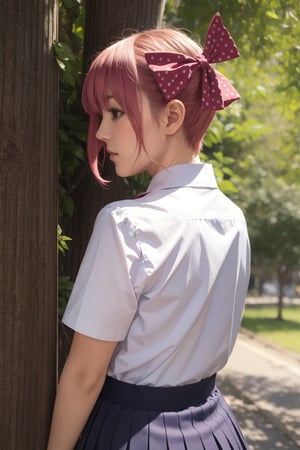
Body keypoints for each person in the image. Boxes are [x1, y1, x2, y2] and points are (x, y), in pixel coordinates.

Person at [47, 12, 250, 450]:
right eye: (101, 115)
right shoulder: (233, 219)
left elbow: (84, 377)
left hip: (132, 434)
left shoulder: (128, 224)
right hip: (215, 428)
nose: (101, 132)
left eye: (115, 112)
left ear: (173, 116)